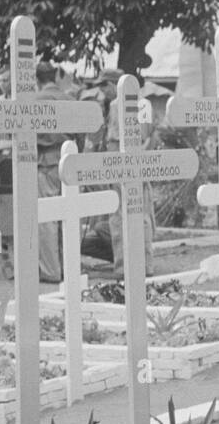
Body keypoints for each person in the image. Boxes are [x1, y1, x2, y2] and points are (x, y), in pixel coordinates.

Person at [81, 68, 154, 276]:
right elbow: (147, 137)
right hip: (134, 165)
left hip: (125, 166)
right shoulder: (144, 103)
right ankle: (141, 264)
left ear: (114, 84)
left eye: (104, 86)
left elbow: (130, 139)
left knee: (122, 217)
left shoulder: (119, 105)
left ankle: (125, 267)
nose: (103, 92)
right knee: (138, 216)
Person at [33, 61, 76, 282]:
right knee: (69, 213)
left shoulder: (35, 100)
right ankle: (70, 267)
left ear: (36, 80)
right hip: (70, 158)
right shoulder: (69, 98)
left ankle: (51, 270)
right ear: (55, 77)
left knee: (47, 216)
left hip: (46, 159)